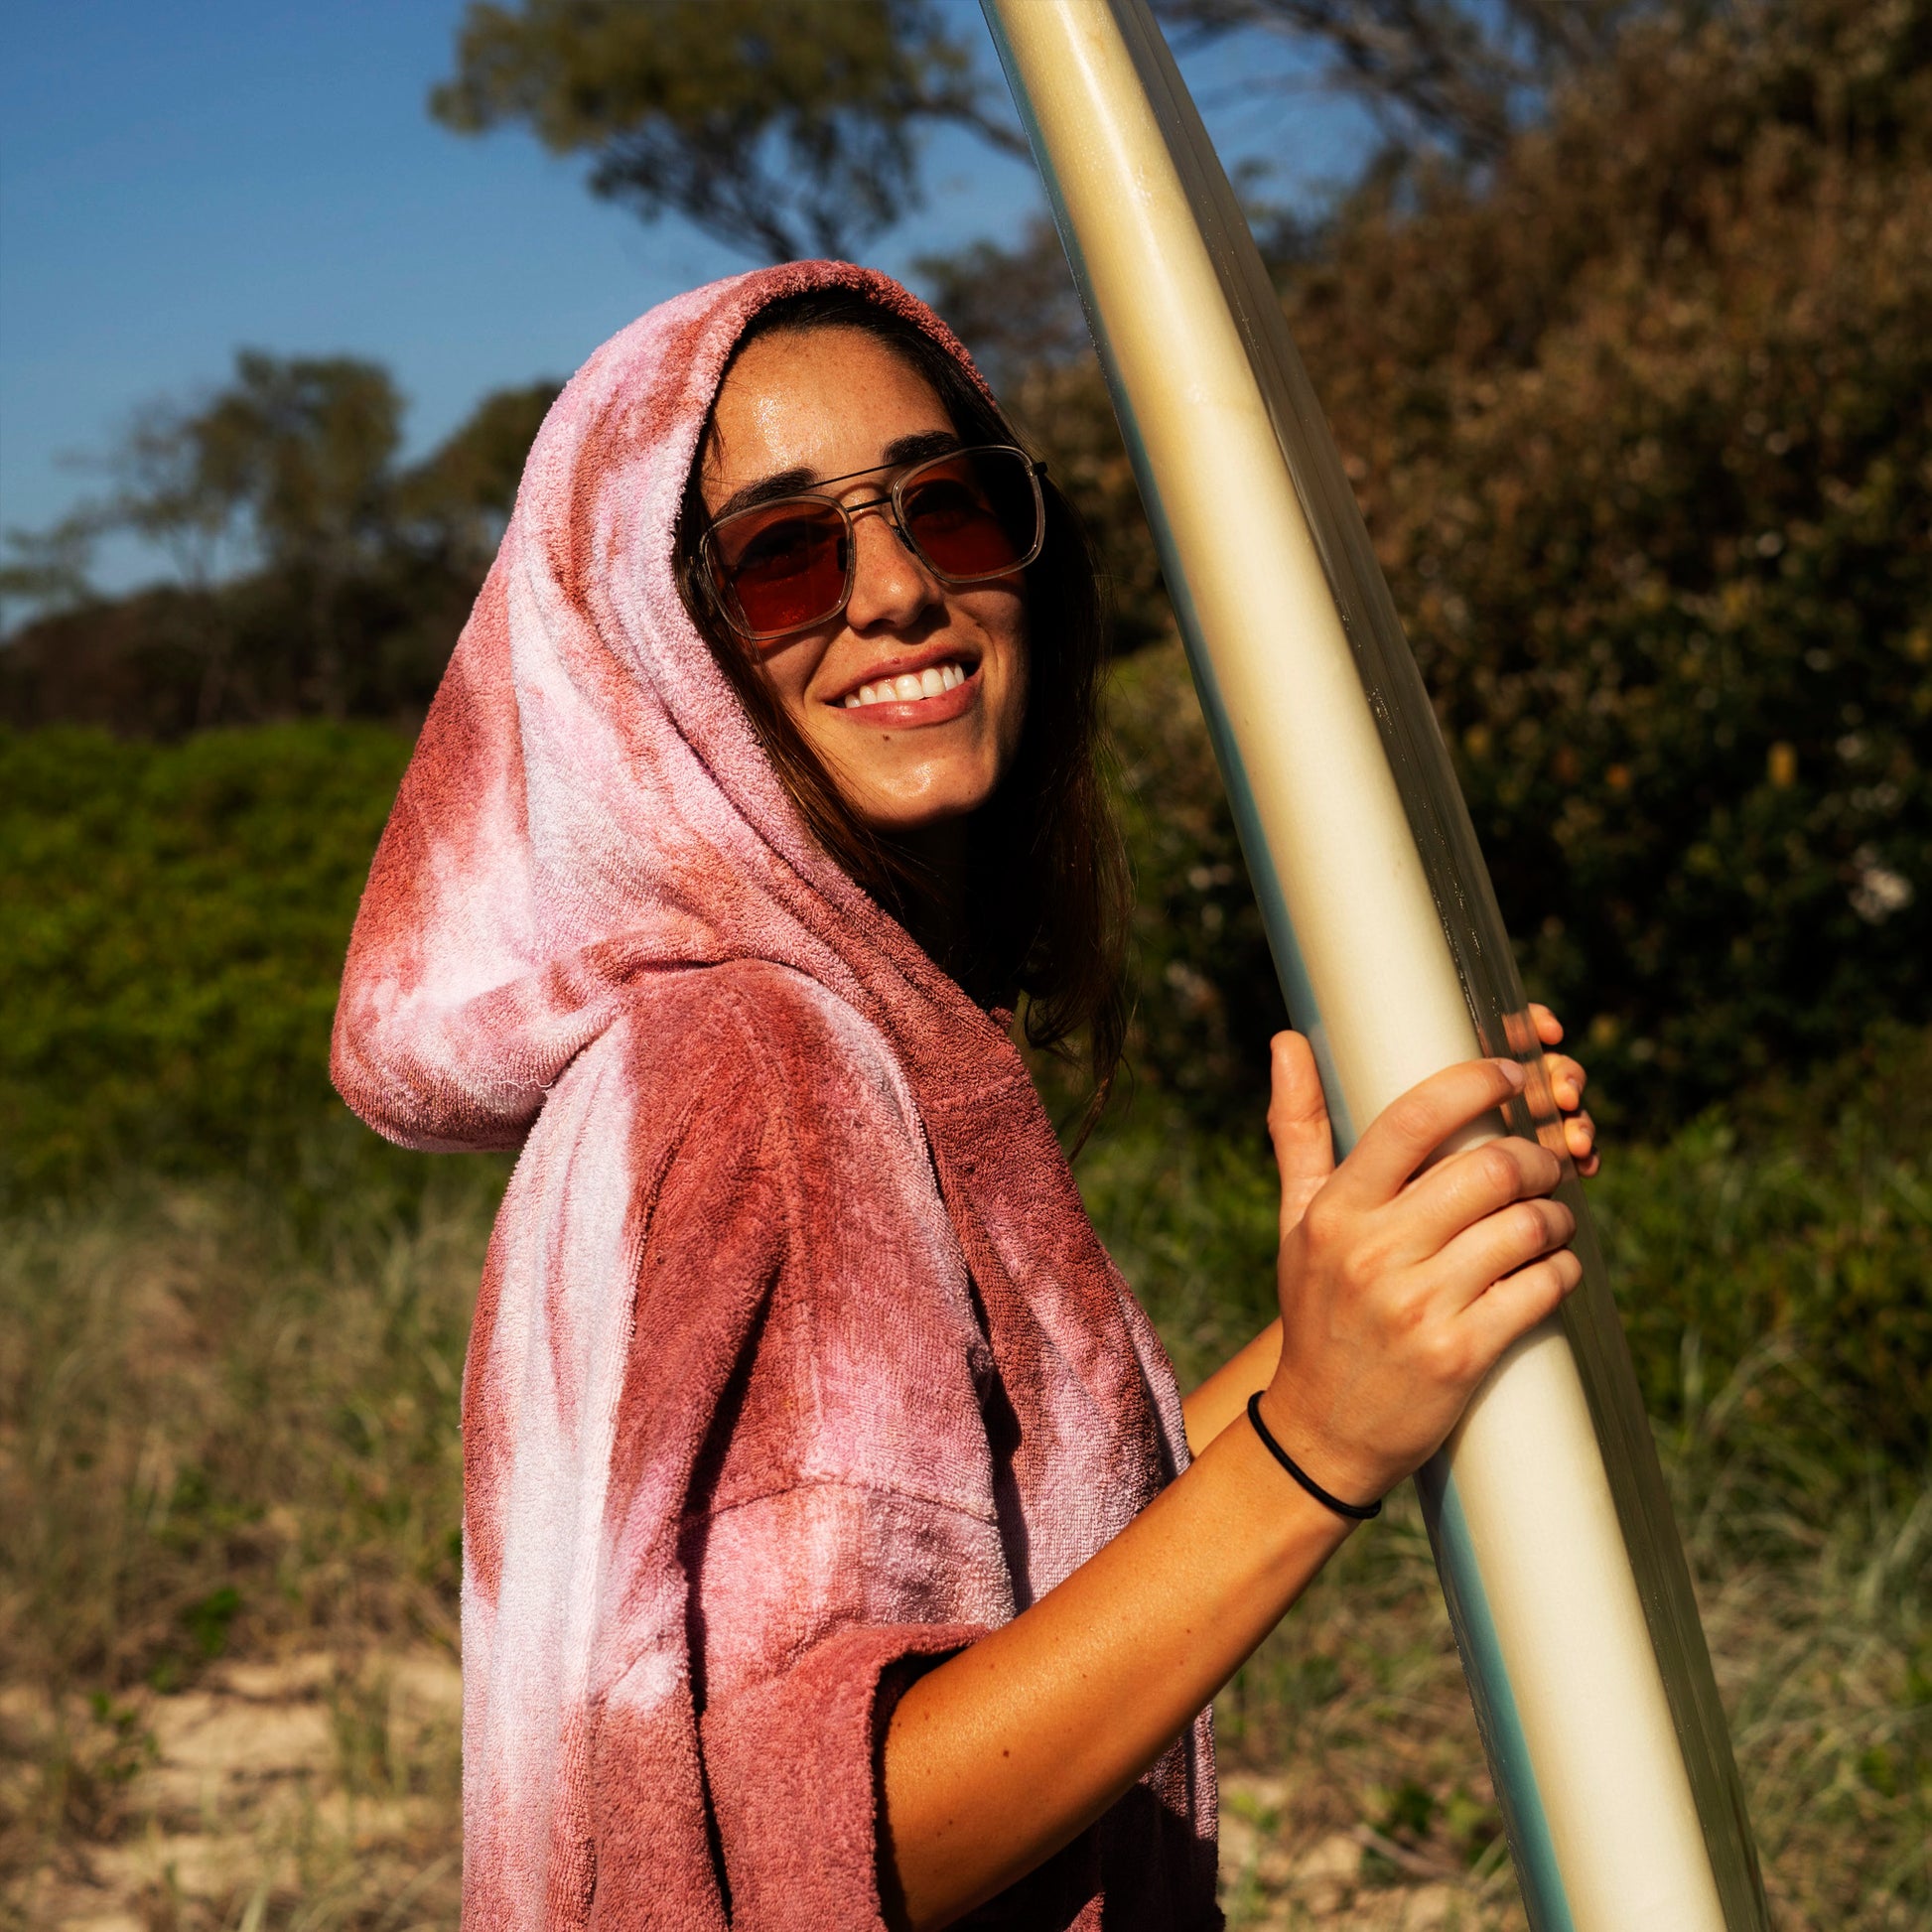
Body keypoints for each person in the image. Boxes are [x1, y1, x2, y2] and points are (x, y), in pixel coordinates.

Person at [333, 262, 1598, 1932]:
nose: (899, 589)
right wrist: (1313, 1446)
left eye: (951, 506)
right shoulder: (757, 1069)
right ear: (660, 647)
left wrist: (1350, 1322)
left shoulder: (825, 1031)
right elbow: (807, 1849)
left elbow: (1026, 1579)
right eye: (781, 552)